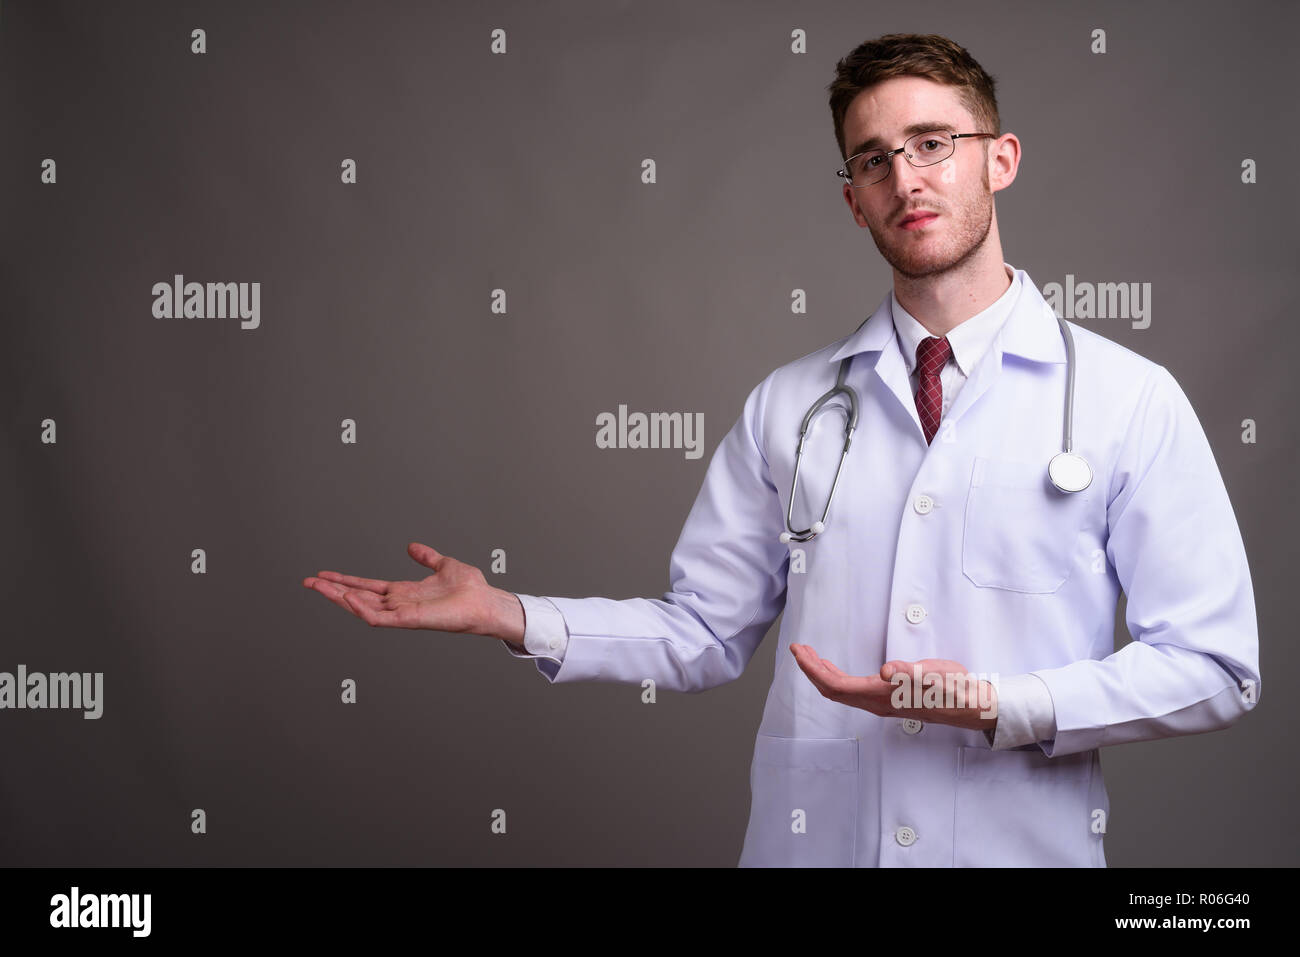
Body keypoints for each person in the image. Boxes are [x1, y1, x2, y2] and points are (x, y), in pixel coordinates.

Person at [302, 33, 1260, 867]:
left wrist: (997, 701)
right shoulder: (791, 404)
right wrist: (510, 612)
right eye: (874, 160)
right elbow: (704, 633)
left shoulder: (1129, 399)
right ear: (853, 201)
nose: (907, 178)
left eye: (934, 144)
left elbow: (1216, 665)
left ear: (1000, 158)